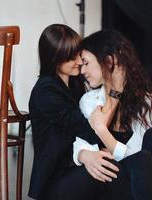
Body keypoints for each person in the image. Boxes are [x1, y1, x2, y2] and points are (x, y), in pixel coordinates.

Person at [75, 29, 152, 200]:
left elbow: (139, 158)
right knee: (141, 160)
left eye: (86, 63)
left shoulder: (149, 103)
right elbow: (83, 144)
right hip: (113, 181)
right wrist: (85, 154)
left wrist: (102, 131)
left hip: (147, 183)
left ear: (108, 61)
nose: (82, 71)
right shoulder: (89, 101)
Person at [28, 24, 123, 200]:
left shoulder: (75, 84)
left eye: (78, 55)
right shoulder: (46, 91)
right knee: (113, 169)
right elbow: (91, 132)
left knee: (122, 166)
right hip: (56, 180)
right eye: (72, 58)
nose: (79, 62)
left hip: (76, 166)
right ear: (55, 60)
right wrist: (116, 91)